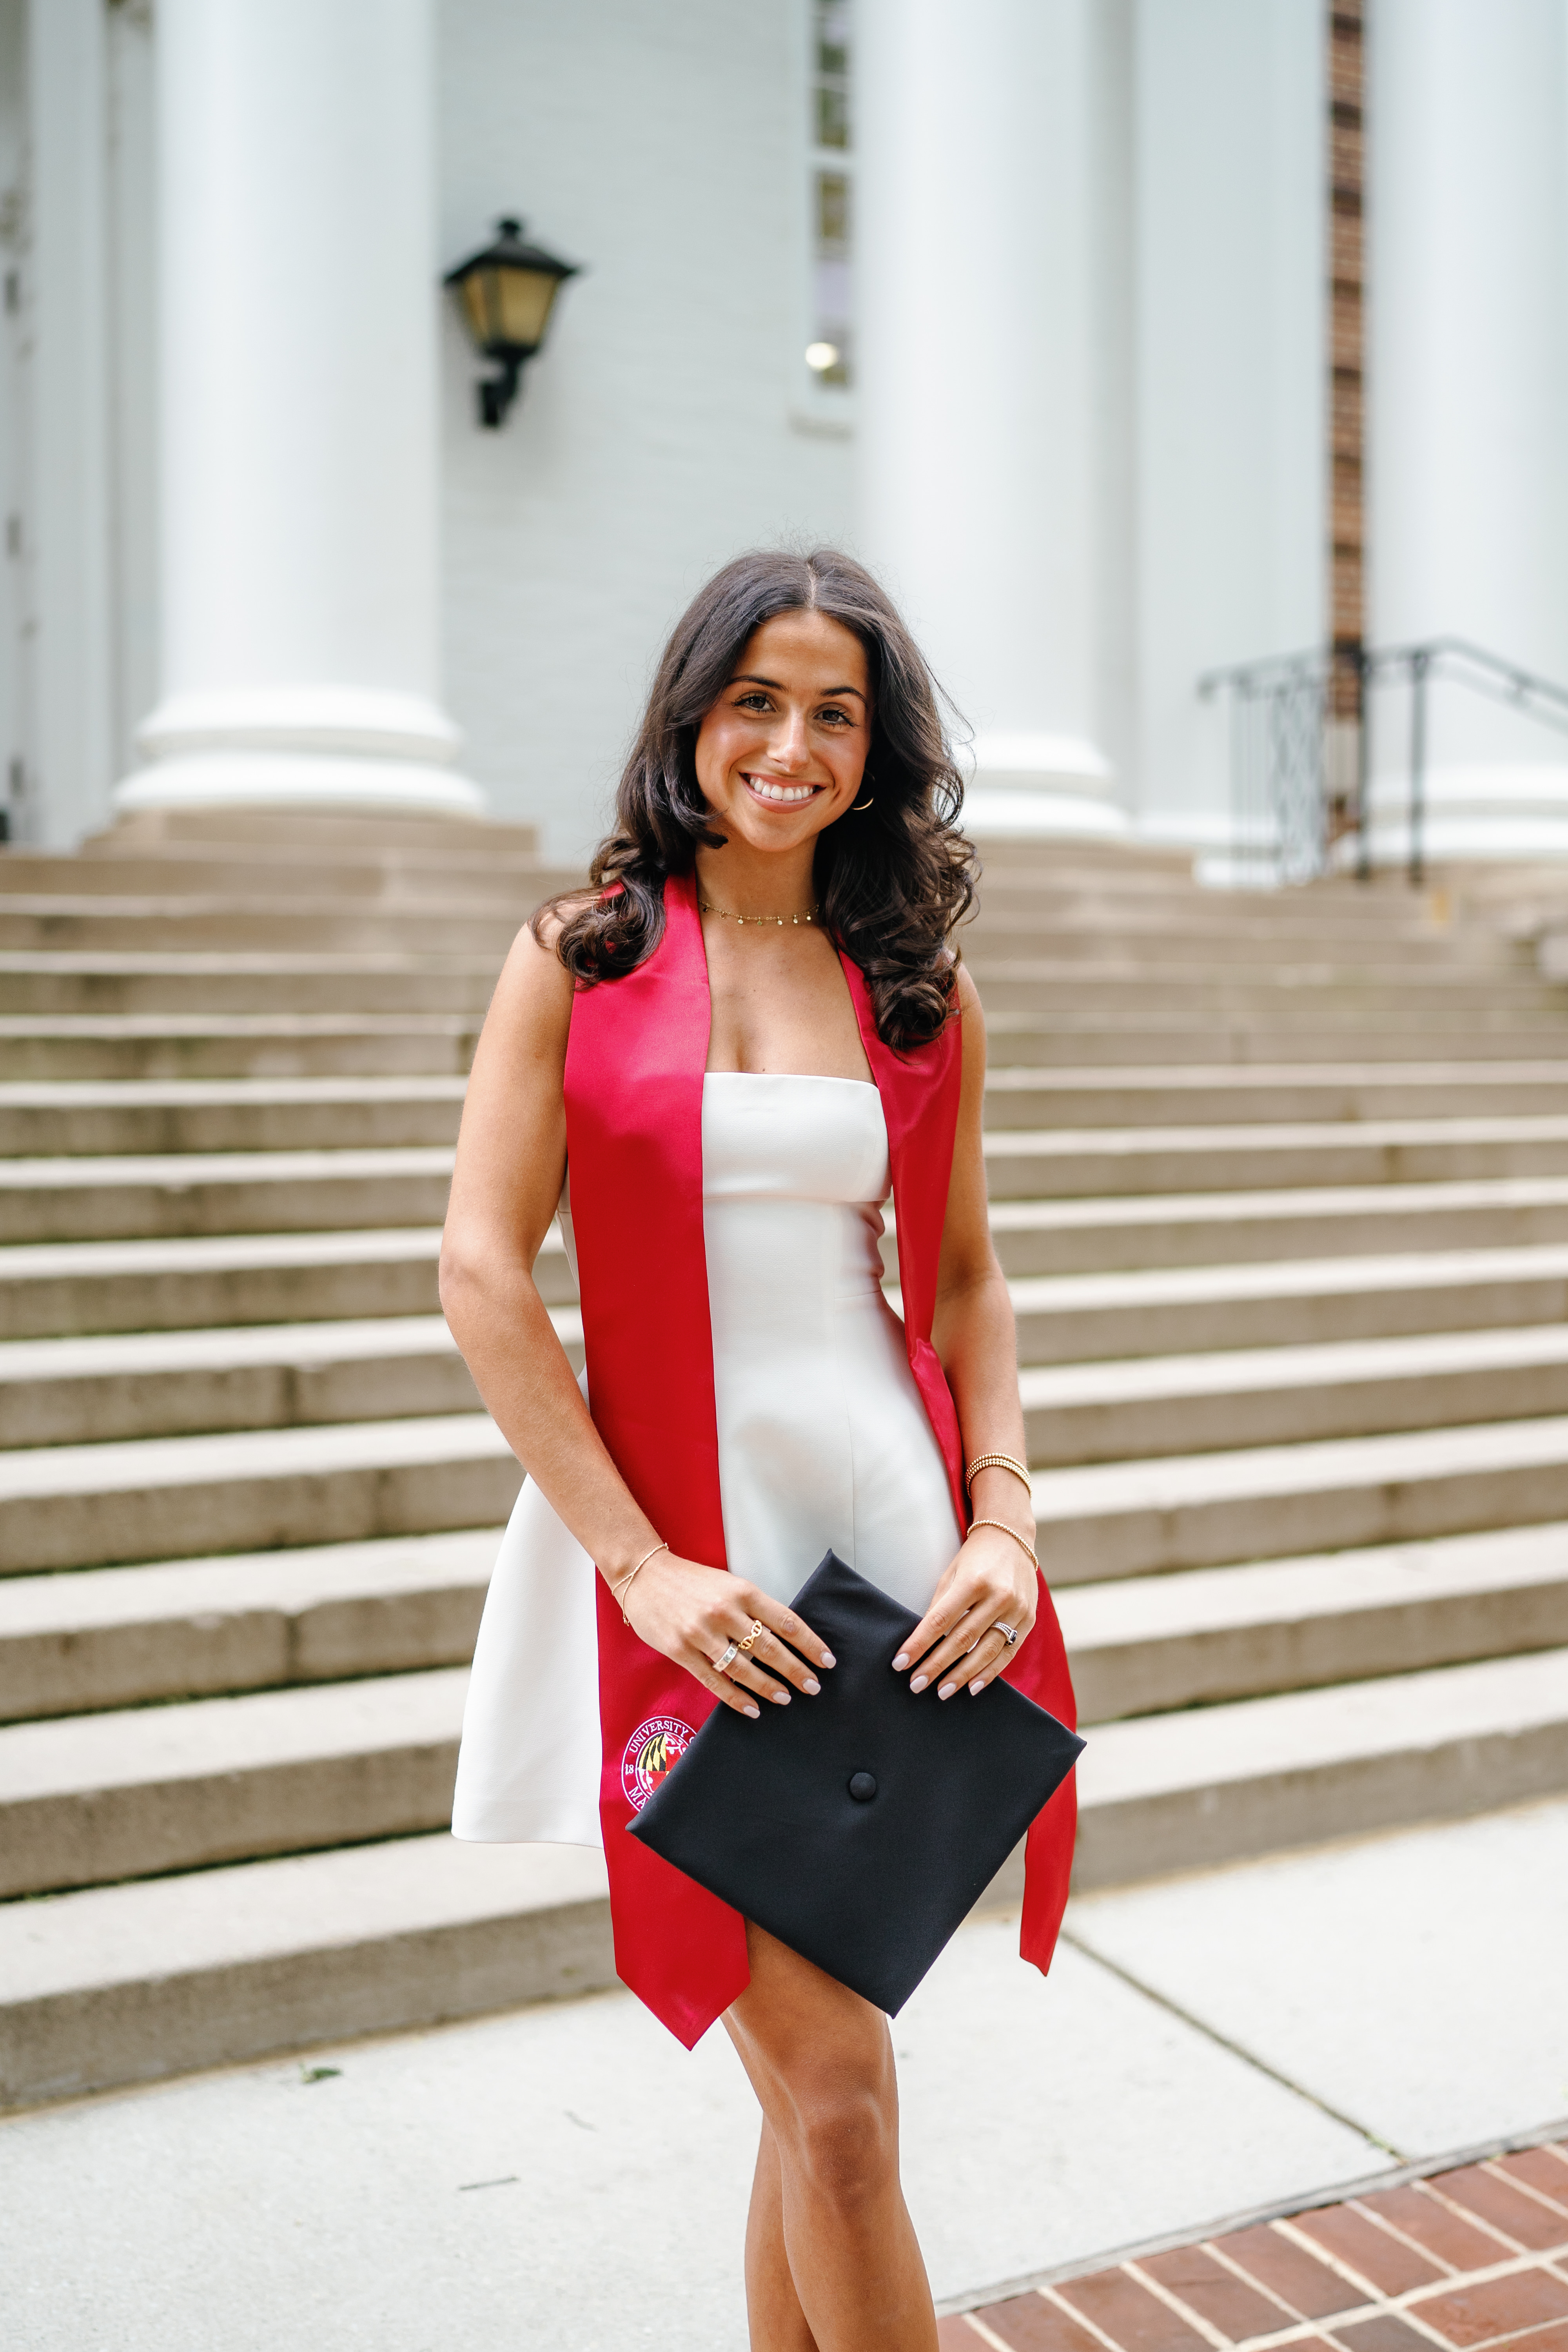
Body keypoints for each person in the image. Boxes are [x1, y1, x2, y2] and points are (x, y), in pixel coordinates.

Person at [441, 547, 1077, 2352]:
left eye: (834, 713)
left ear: (876, 753)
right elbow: (484, 1273)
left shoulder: (913, 988)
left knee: (814, 2110)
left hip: (883, 1551)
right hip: (674, 1566)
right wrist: (637, 1561)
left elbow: (962, 1281)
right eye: (756, 701)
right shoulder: (584, 955)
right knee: (841, 2107)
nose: (789, 745)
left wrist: (1004, 1526)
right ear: (693, 713)